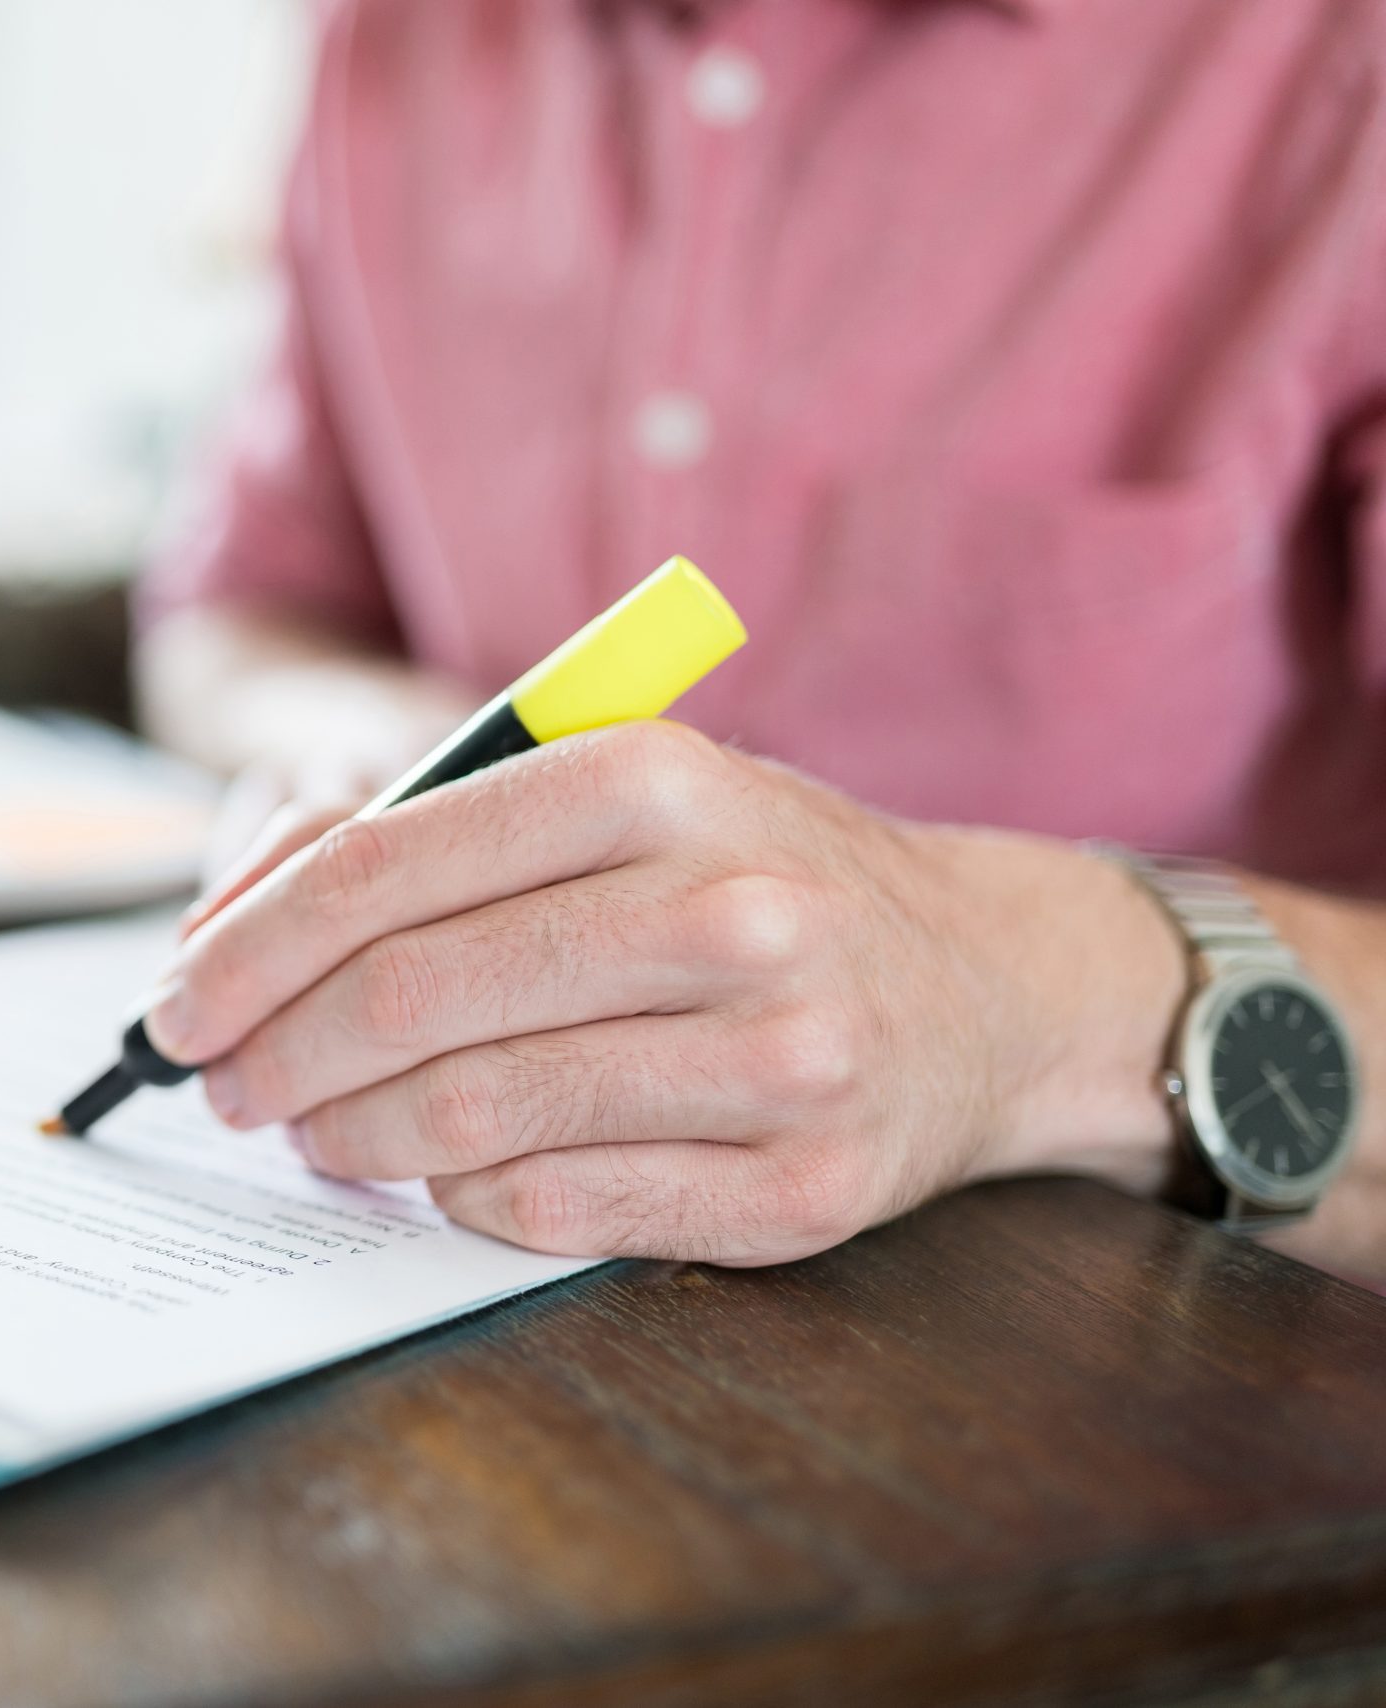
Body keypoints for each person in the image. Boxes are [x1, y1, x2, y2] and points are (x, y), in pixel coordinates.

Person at [131, 0, 1386, 1283]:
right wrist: (406, 767)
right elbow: (233, 613)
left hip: (1160, 1319)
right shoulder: (398, 34)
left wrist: (1024, 998)